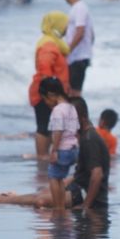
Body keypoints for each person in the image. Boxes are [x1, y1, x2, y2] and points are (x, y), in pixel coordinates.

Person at [0, 97, 110, 210]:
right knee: (45, 190)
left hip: (86, 195)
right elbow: (82, 174)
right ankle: (13, 198)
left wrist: (86, 205)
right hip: (78, 187)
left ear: (81, 118)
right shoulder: (84, 135)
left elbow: (97, 175)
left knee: (41, 200)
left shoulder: (89, 139)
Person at [29, 11, 71, 159]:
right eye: (65, 25)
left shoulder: (54, 43)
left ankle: (46, 155)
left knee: (50, 125)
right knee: (44, 126)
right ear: (57, 25)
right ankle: (42, 156)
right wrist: (50, 95)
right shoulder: (48, 45)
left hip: (51, 93)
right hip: (44, 93)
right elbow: (45, 70)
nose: (67, 29)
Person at [40, 77, 80, 210]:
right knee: (60, 178)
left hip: (62, 149)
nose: (46, 103)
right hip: (73, 149)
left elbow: (58, 130)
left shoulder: (58, 110)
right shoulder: (71, 107)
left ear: (51, 94)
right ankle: (61, 206)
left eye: (45, 99)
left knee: (53, 176)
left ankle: (58, 207)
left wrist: (54, 150)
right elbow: (76, 128)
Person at [62, 0, 95, 97]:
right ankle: (76, 115)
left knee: (74, 94)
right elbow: (91, 34)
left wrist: (67, 50)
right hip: (79, 56)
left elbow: (80, 32)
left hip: (78, 57)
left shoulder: (79, 8)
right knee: (72, 92)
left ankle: (79, 116)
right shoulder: (79, 7)